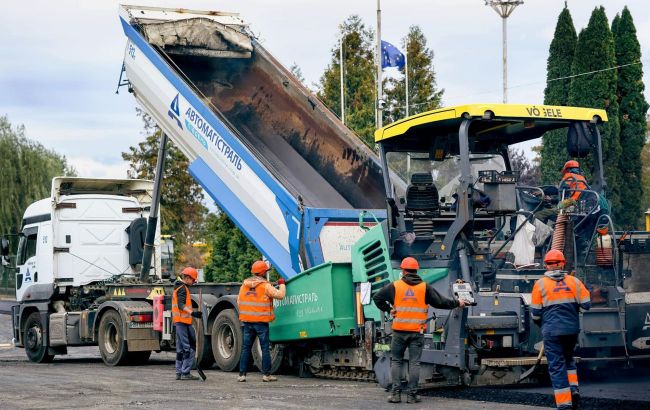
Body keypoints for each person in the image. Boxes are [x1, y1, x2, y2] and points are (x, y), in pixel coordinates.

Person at [373, 257, 469, 404]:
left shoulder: (395, 286)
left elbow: (377, 297)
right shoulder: (424, 287)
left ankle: (396, 395)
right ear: (416, 270)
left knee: (397, 361)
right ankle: (412, 396)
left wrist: (388, 309)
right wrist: (458, 303)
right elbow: (441, 302)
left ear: (403, 271)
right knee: (414, 363)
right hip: (416, 332)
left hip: (399, 331)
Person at [531, 250, 591, 410]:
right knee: (569, 359)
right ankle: (574, 389)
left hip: (551, 331)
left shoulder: (540, 284)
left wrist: (542, 325)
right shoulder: (575, 282)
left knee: (557, 366)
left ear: (546, 265)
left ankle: (565, 404)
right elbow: (587, 304)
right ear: (563, 263)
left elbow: (535, 314)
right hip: (571, 330)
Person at [237, 260, 286, 382]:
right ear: (263, 272)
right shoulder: (265, 286)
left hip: (247, 322)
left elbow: (239, 301)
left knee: (246, 348)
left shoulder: (244, 285)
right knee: (265, 348)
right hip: (261, 323)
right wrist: (282, 284)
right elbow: (280, 295)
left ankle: (242, 375)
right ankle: (266, 375)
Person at [173, 266, 203, 380]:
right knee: (189, 348)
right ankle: (185, 372)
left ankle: (178, 372)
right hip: (182, 322)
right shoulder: (182, 288)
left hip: (181, 322)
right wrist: (193, 313)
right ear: (187, 278)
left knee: (181, 349)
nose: (194, 282)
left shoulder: (179, 286)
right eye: (193, 279)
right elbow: (181, 305)